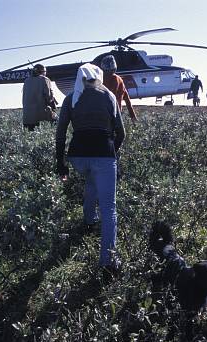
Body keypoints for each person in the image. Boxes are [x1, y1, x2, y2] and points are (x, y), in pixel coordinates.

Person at [55, 63, 125, 272]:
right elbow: (120, 134)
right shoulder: (109, 96)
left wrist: (61, 164)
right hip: (103, 154)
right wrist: (113, 152)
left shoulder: (70, 98)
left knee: (92, 179)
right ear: (98, 77)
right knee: (109, 208)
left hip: (77, 157)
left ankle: (88, 219)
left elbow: (60, 135)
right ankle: (108, 262)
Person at [101, 55, 137, 121]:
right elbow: (127, 99)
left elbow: (125, 98)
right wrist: (133, 117)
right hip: (113, 114)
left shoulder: (113, 79)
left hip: (107, 114)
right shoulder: (118, 79)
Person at [22, 64, 56, 131]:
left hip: (27, 118)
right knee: (56, 121)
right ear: (42, 71)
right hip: (40, 118)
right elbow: (49, 98)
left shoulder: (26, 81)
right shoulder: (45, 79)